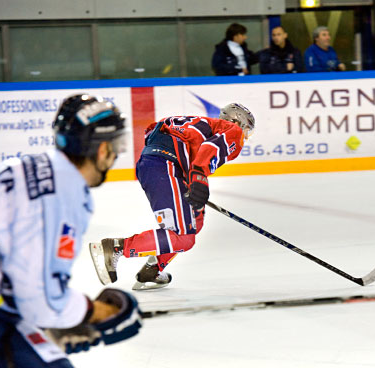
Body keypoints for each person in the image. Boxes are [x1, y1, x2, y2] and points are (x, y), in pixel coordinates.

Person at [0, 94, 142, 368]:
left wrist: (58, 318)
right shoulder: (62, 196)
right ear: (102, 149)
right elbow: (41, 299)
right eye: (116, 145)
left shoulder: (40, 169)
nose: (116, 155)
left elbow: (25, 285)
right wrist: (95, 313)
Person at [95, 103, 255, 291]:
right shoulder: (232, 130)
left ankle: (153, 269)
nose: (245, 136)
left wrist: (190, 180)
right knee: (183, 237)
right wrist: (198, 177)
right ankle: (116, 247)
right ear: (237, 122)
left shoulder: (198, 123)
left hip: (153, 165)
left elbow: (152, 133)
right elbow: (210, 148)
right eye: (247, 131)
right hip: (166, 167)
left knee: (196, 221)